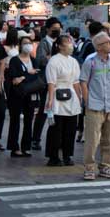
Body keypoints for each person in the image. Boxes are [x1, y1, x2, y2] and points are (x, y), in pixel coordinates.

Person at [79, 29, 110, 180]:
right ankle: (89, 167)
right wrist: (87, 102)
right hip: (95, 105)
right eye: (108, 42)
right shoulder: (90, 61)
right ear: (98, 47)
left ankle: (106, 166)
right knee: (92, 139)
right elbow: (83, 82)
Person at [42, 31, 83, 168]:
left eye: (71, 42)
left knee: (70, 129)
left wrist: (80, 96)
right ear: (60, 46)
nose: (71, 45)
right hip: (57, 95)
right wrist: (50, 100)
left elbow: (76, 81)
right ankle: (53, 156)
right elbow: (51, 83)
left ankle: (67, 155)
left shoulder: (74, 61)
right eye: (67, 42)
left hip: (71, 96)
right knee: (56, 129)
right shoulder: (54, 61)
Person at [3, 33, 45, 158]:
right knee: (15, 121)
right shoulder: (15, 60)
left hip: (30, 94)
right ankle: (14, 148)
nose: (28, 46)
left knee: (28, 121)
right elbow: (13, 78)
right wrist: (28, 74)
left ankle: (26, 147)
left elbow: (37, 77)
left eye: (30, 43)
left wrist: (23, 76)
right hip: (16, 95)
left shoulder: (34, 60)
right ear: (20, 46)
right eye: (25, 43)